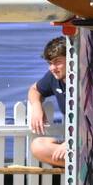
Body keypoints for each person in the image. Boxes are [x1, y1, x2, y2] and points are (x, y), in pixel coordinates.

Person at [27, 36, 66, 167]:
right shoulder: (53, 77)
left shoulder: (89, 80)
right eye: (50, 63)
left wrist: (71, 144)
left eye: (57, 62)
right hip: (77, 146)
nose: (52, 68)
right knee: (38, 146)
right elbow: (34, 90)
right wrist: (37, 106)